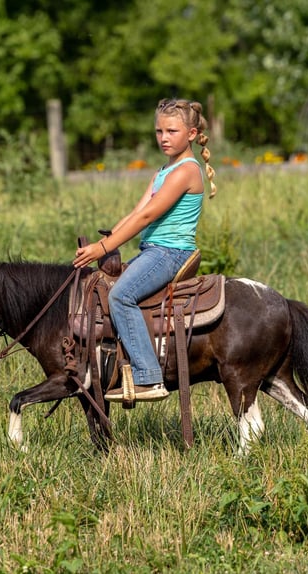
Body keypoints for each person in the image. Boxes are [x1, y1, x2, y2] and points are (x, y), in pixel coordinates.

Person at [73, 98, 217, 402]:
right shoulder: (163, 170)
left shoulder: (186, 172)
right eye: (159, 131)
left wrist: (103, 248)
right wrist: (109, 238)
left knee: (121, 296)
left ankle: (148, 377)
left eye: (172, 131)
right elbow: (135, 212)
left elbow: (147, 217)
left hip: (169, 253)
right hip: (153, 250)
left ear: (191, 134)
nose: (163, 138)